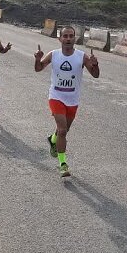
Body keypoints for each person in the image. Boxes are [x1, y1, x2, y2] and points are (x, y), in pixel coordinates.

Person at [34, 26, 99, 177]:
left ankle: (53, 139)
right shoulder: (54, 54)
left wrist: (95, 64)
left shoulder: (82, 56)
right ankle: (63, 164)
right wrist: (37, 59)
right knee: (62, 130)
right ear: (60, 39)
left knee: (64, 131)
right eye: (65, 36)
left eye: (71, 36)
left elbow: (95, 75)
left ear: (74, 38)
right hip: (56, 97)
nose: (68, 39)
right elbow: (38, 68)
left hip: (73, 100)